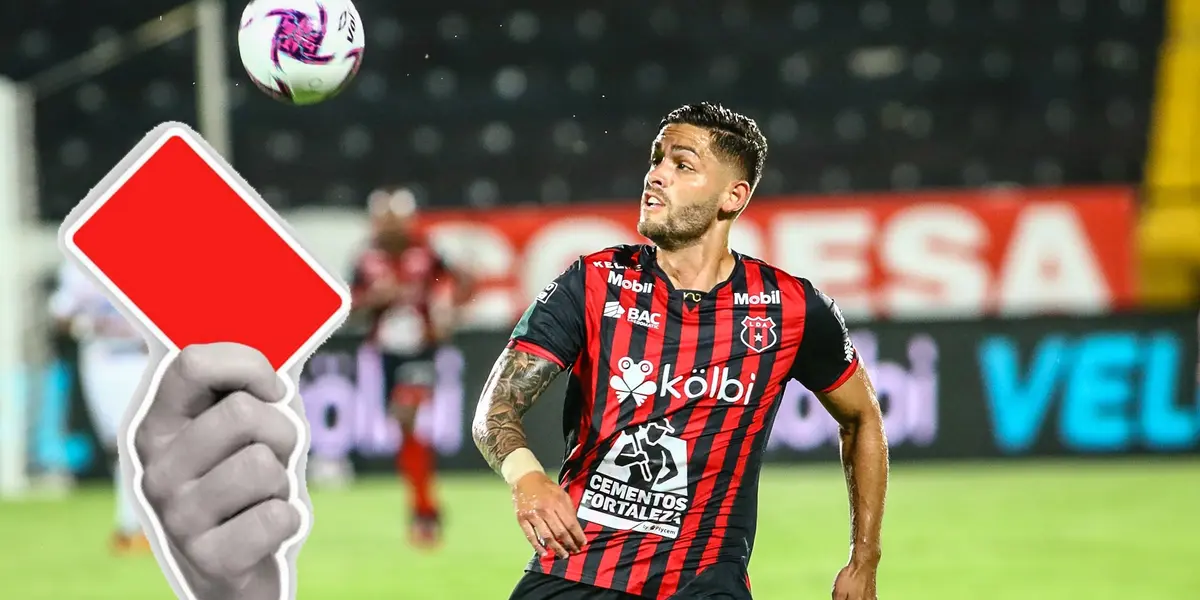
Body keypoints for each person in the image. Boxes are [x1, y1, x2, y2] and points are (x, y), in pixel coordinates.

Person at [471, 103, 889, 600]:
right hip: (578, 568)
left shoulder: (790, 307)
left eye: (681, 164)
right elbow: (496, 407)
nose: (655, 175)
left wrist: (864, 557)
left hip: (705, 582)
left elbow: (863, 419)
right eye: (656, 159)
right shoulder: (594, 282)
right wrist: (528, 478)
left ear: (732, 197)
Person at [350, 187, 473, 548]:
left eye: (397, 220)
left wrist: (451, 311)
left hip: (422, 349)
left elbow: (462, 280)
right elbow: (350, 306)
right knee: (405, 429)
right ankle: (424, 505)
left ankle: (422, 507)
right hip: (388, 352)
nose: (392, 228)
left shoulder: (427, 252)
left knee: (406, 411)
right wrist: (376, 299)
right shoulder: (366, 259)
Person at [49, 262, 152, 554]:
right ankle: (131, 528)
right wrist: (89, 324)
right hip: (102, 359)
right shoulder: (80, 266)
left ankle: (135, 527)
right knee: (119, 445)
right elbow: (61, 315)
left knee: (137, 441)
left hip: (143, 358)